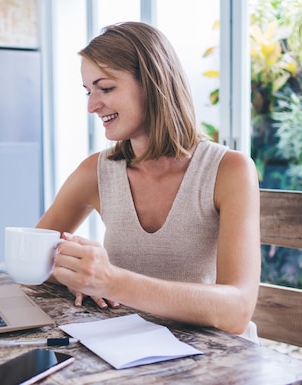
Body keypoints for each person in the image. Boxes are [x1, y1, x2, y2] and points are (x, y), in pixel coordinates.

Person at [36, 21, 260, 336]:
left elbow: (236, 311)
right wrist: (79, 274)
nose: (91, 106)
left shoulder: (230, 170)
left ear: (153, 84)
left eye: (106, 88)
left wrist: (111, 281)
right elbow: (35, 256)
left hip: (217, 360)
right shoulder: (96, 172)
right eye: (88, 91)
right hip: (128, 350)